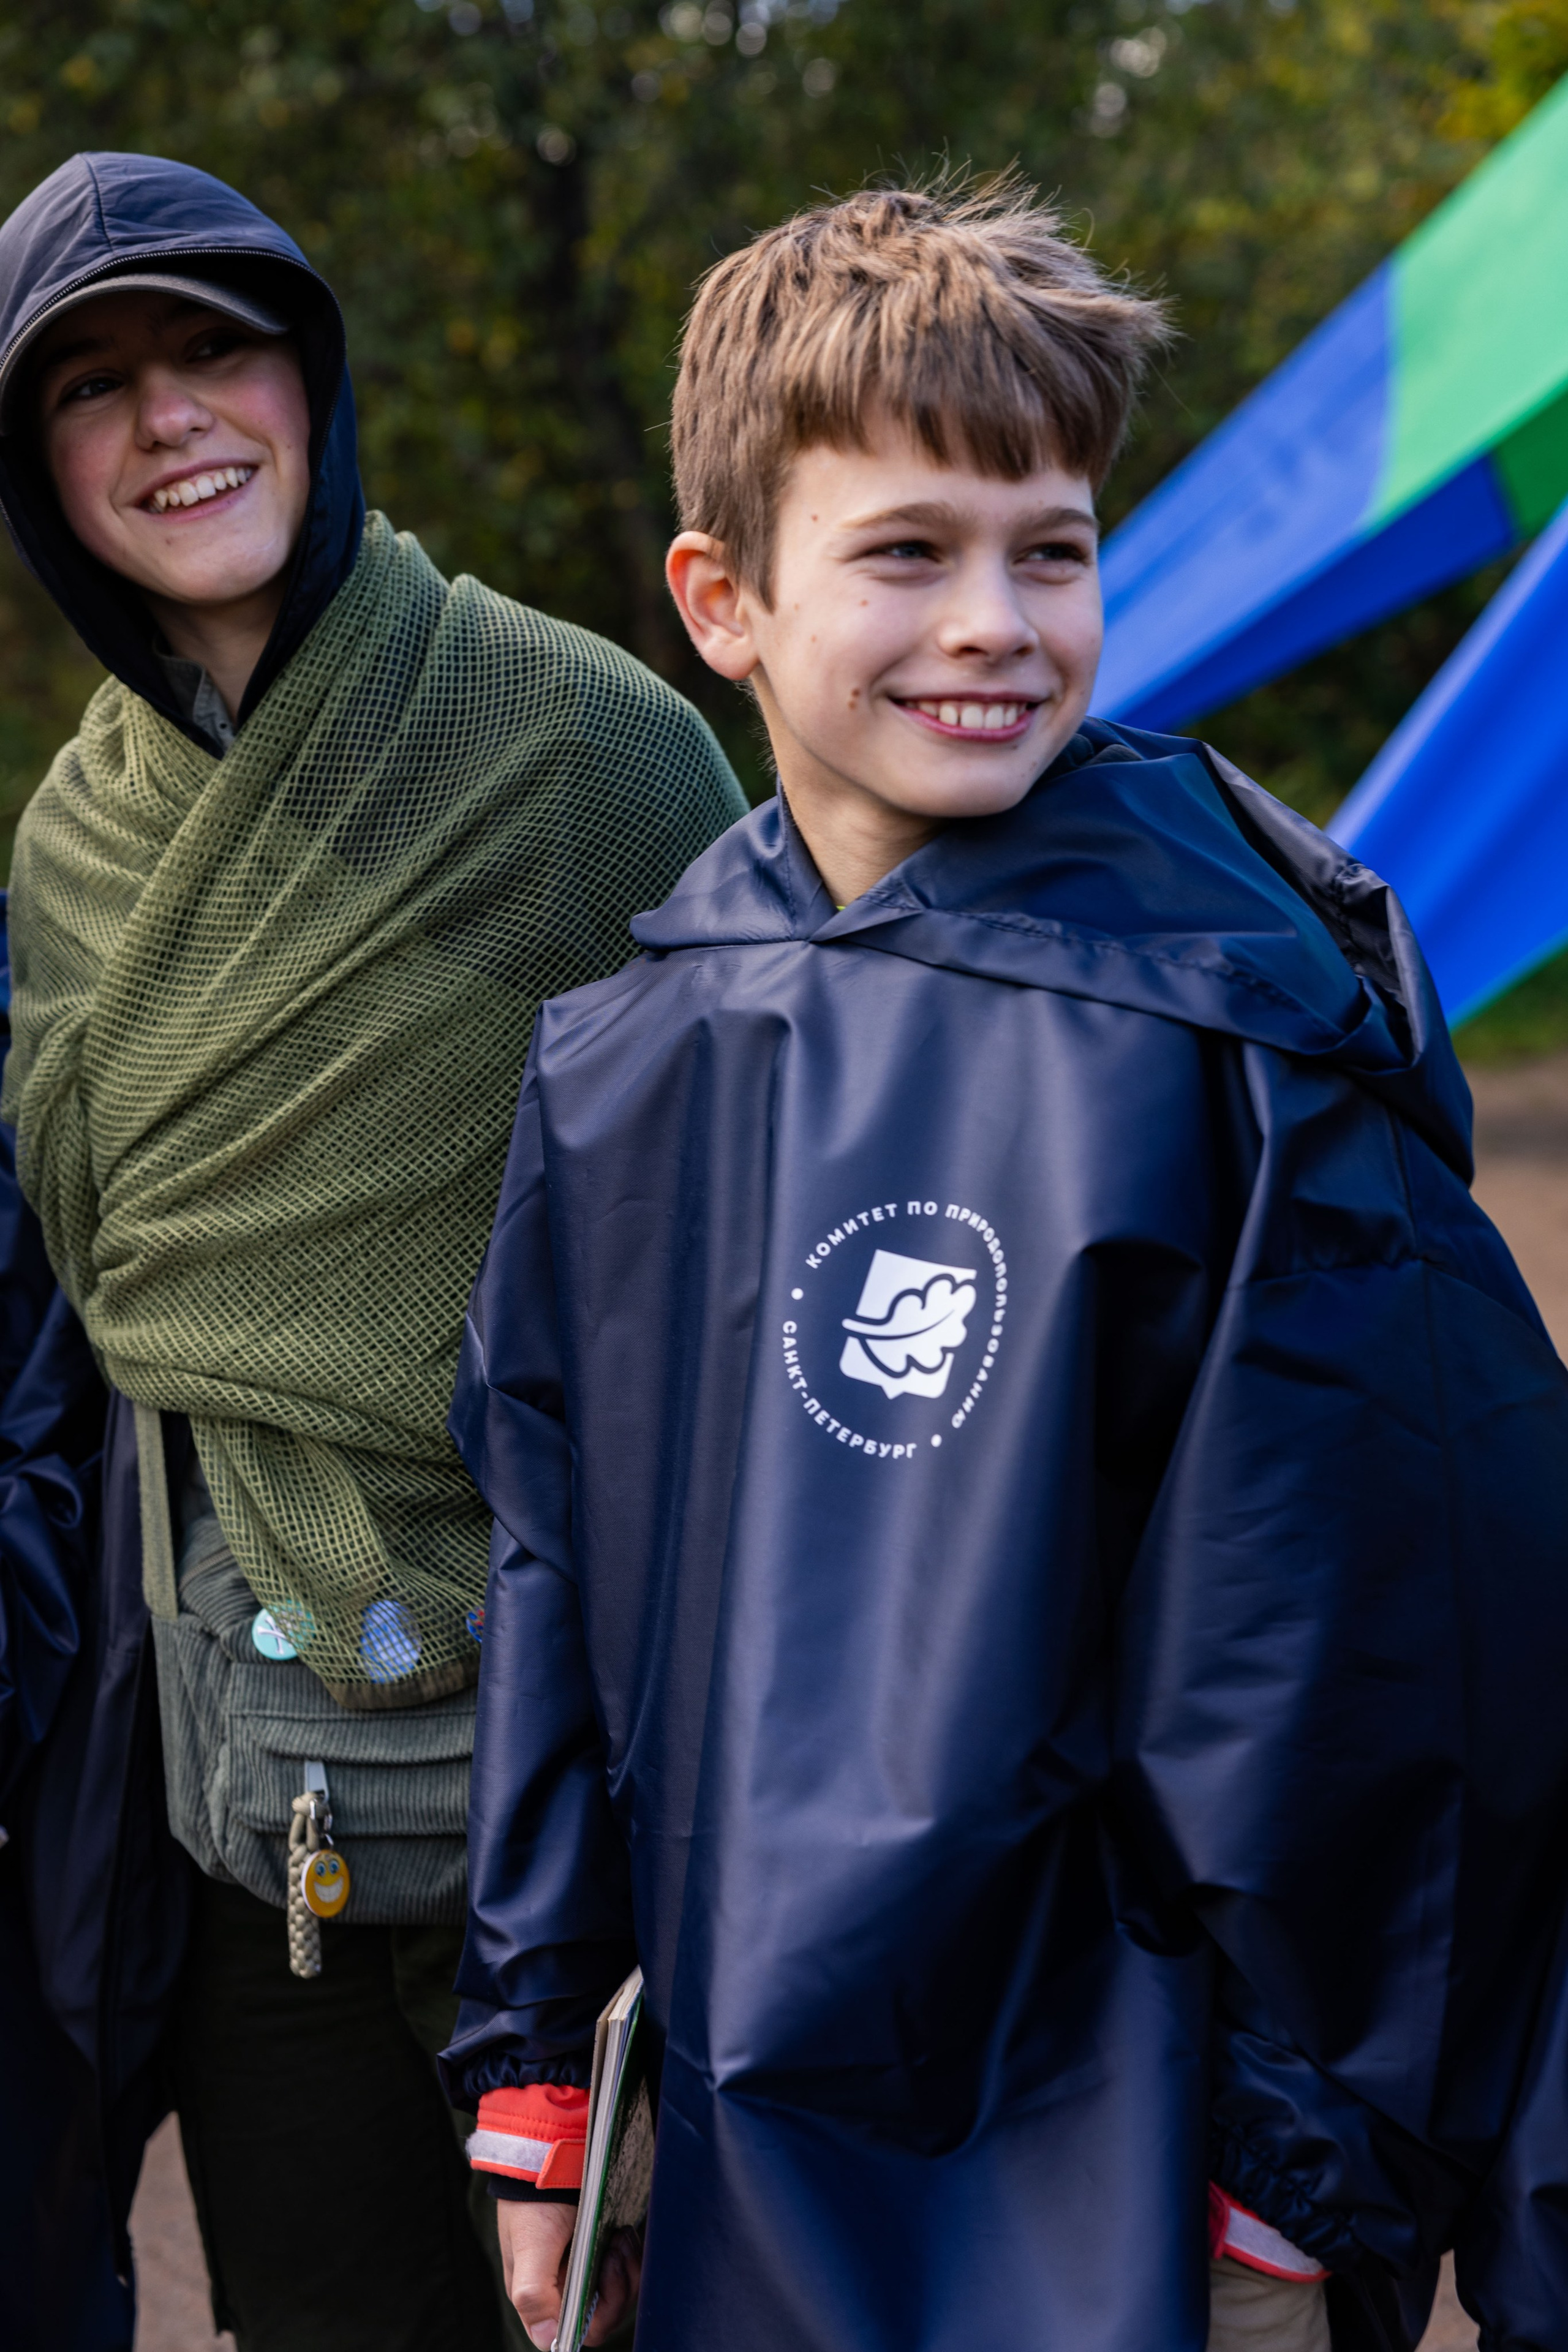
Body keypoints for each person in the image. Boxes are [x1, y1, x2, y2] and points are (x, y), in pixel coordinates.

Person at [440, 179, 1568, 2352]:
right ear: (724, 600)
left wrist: (1292, 2175)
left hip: (1141, 2172)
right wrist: (542, 2071)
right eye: (907, 553)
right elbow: (556, 1574)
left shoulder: (1234, 1025)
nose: (994, 623)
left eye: (1051, 552)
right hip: (750, 2139)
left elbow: (1393, 1643)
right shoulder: (632, 1060)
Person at [0, 149, 745, 2351]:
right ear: (40, 473)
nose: (170, 419)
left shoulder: (589, 749)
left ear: (311, 380)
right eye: (93, 385)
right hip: (251, 1820)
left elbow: (746, 1242)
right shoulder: (71, 846)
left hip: (591, 1784)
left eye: (214, 348)